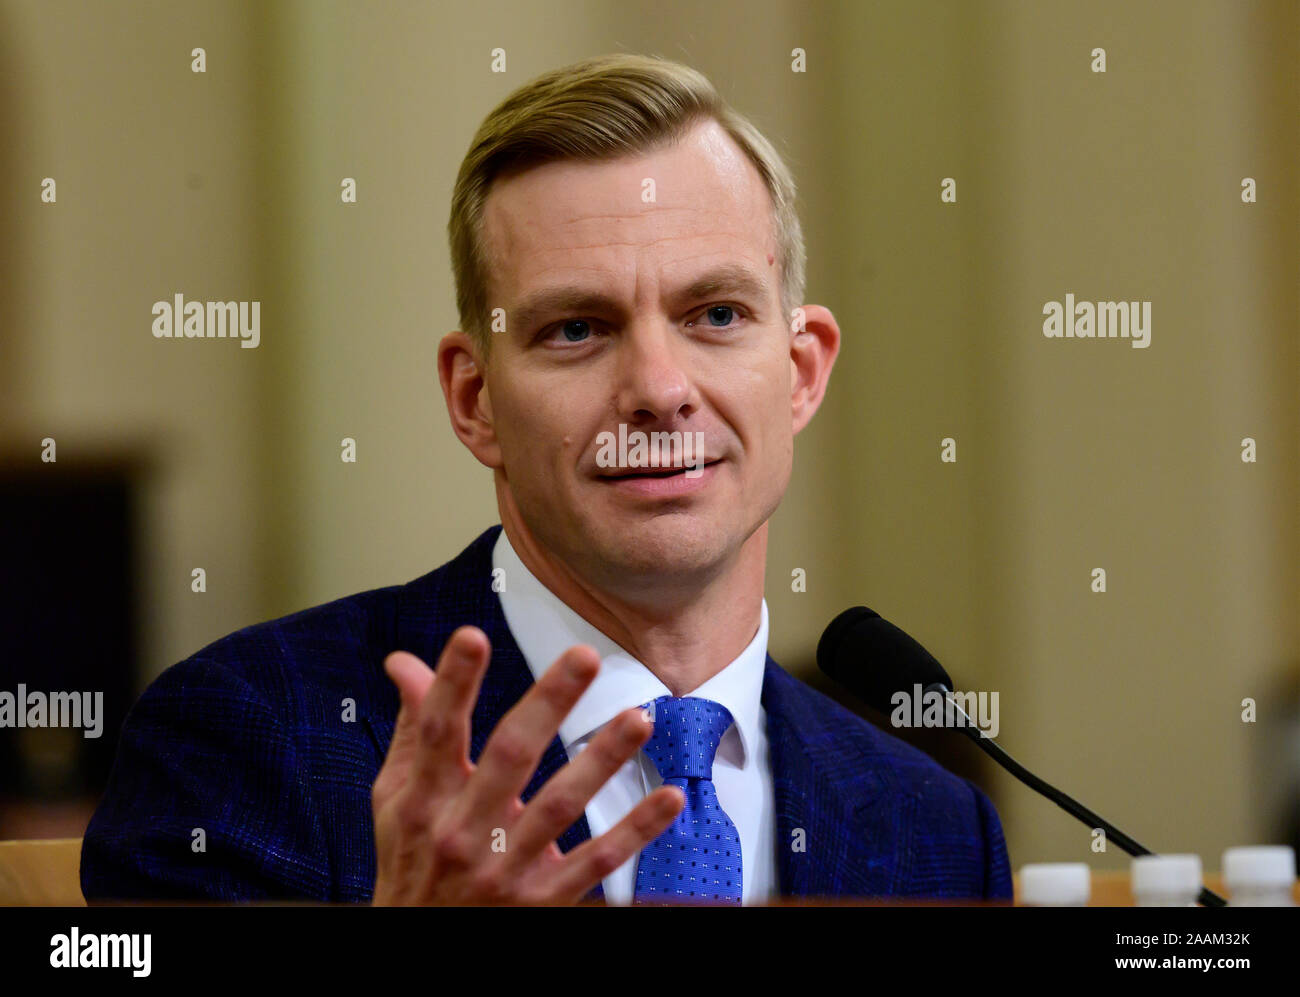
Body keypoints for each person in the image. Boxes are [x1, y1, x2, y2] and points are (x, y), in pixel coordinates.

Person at [81, 53, 1012, 906]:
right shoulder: (248, 740)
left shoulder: (935, 826)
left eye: (716, 313)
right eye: (577, 329)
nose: (658, 389)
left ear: (804, 371)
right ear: (476, 398)